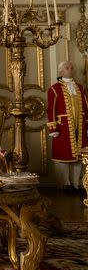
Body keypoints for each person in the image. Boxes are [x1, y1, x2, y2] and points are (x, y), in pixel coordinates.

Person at [46, 61, 88, 191]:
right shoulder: (54, 88)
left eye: (71, 67)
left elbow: (86, 108)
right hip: (63, 127)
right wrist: (53, 128)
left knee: (79, 157)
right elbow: (51, 109)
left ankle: (77, 184)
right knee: (64, 157)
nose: (70, 69)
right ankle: (66, 184)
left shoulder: (80, 88)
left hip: (80, 126)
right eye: (67, 67)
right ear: (61, 71)